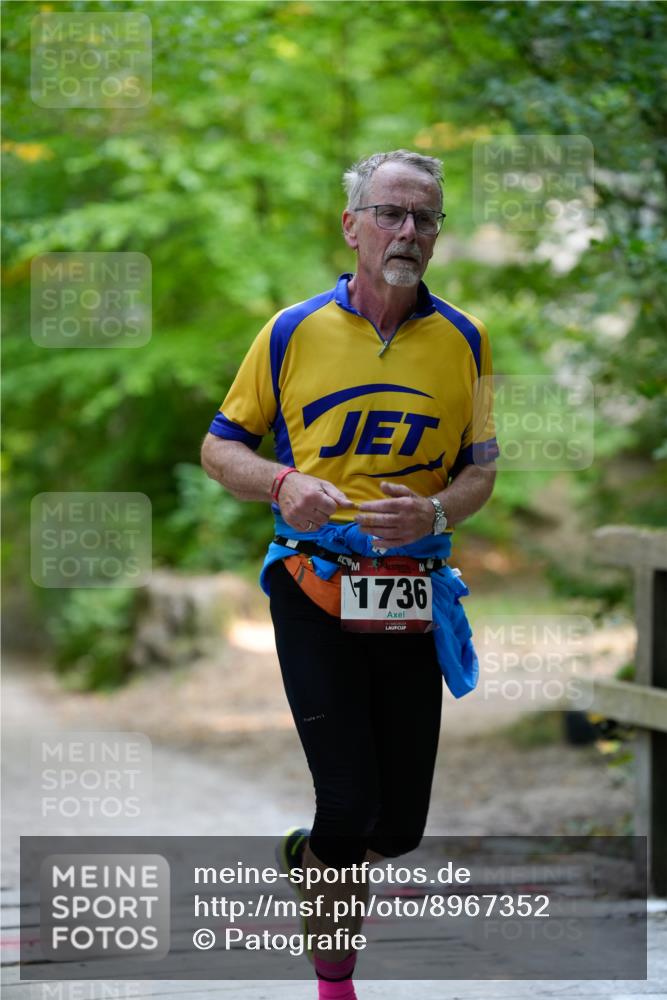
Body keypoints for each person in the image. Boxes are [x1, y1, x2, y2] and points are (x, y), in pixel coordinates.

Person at [201, 149, 498, 999]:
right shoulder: (291, 331)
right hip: (312, 582)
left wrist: (434, 512)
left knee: (396, 828)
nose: (408, 231)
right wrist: (282, 484)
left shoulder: (465, 339)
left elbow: (479, 471)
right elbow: (219, 449)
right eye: (390, 213)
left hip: (410, 589)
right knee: (346, 803)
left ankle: (310, 860)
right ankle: (336, 984)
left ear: (437, 233)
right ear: (352, 226)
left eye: (425, 218)